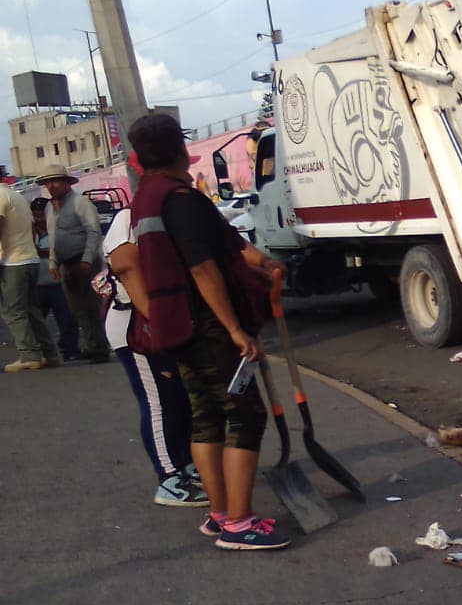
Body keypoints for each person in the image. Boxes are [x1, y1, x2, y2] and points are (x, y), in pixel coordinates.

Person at [128, 113, 289, 551]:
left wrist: (264, 263)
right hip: (206, 324)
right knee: (245, 414)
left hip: (175, 324)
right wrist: (235, 329)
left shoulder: (146, 198)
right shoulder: (180, 199)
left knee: (207, 416)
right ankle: (239, 522)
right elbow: (202, 265)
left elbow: (228, 242)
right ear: (180, 150)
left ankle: (219, 515)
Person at [100, 206, 208, 507]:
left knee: (178, 400)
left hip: (158, 322)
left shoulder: (168, 214)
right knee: (158, 403)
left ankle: (185, 465)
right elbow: (125, 265)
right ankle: (169, 479)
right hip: (134, 325)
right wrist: (157, 320)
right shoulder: (127, 219)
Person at [38, 165, 110, 363]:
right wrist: (53, 263)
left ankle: (100, 348)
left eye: (55, 181)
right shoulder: (49, 208)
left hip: (84, 260)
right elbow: (53, 238)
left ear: (66, 183)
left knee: (91, 306)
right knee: (77, 307)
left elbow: (93, 231)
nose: (51, 186)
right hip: (65, 263)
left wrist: (87, 258)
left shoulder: (80, 203)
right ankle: (91, 344)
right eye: (48, 183)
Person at [0, 183, 60, 371]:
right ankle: (49, 353)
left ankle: (29, 354)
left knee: (13, 310)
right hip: (29, 258)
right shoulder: (15, 196)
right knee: (32, 309)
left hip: (12, 261)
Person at [30, 197, 81, 361]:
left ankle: (70, 351)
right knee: (35, 323)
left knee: (67, 320)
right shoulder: (28, 232)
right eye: (36, 214)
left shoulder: (59, 228)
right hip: (36, 285)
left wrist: (41, 252)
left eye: (41, 213)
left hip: (58, 283)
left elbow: (61, 251)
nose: (39, 217)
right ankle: (41, 353)